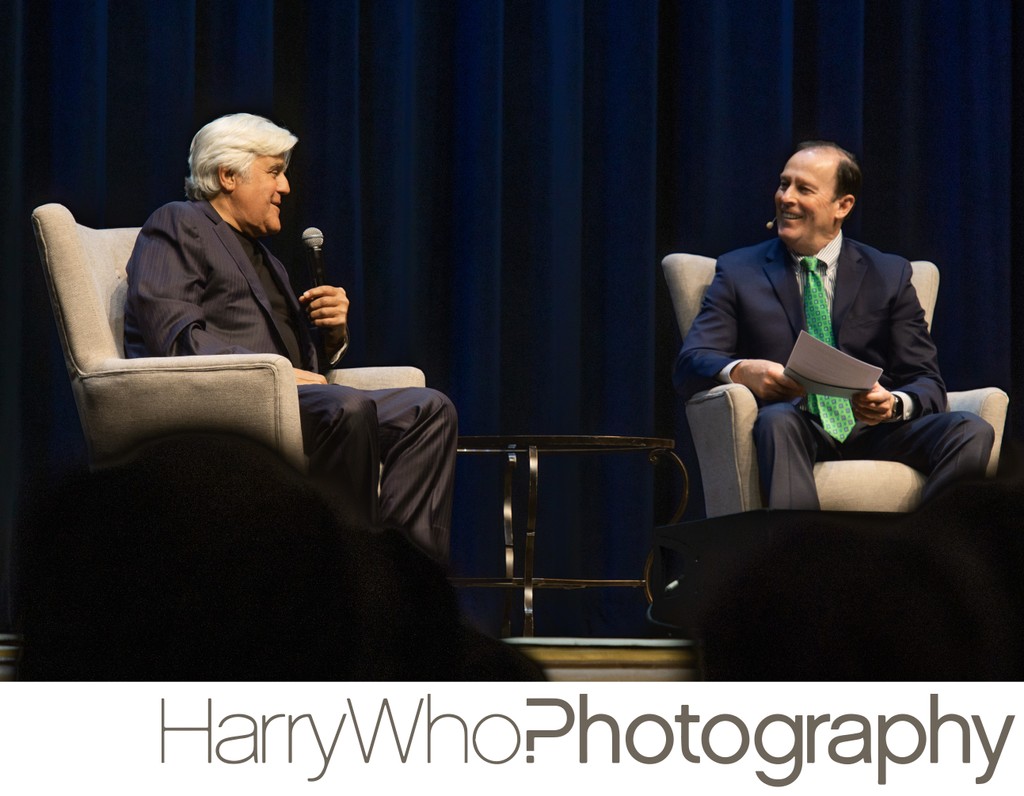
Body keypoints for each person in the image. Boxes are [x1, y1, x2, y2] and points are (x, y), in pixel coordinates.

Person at [123, 113, 456, 562]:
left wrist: (333, 333)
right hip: (226, 404)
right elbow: (177, 339)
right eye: (274, 172)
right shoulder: (179, 223)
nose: (286, 189)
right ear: (227, 175)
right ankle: (347, 574)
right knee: (346, 409)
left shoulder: (265, 258)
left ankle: (405, 574)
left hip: (287, 400)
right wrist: (277, 374)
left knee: (428, 410)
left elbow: (305, 366)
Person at [673, 141, 994, 510]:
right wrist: (742, 370)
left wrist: (892, 404)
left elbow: (926, 380)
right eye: (783, 184)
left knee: (971, 430)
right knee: (776, 421)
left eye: (804, 189)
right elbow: (691, 362)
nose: (786, 198)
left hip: (874, 429)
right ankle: (802, 561)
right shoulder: (738, 271)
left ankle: (924, 557)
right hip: (795, 424)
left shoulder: (889, 273)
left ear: (843, 206)